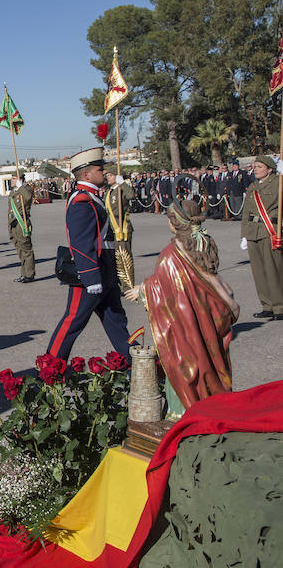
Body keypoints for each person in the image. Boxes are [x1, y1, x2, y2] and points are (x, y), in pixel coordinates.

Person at [124, 199, 238, 411]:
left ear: (173, 223)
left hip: (188, 325)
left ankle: (183, 411)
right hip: (212, 311)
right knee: (212, 357)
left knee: (187, 360)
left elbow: (167, 289)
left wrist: (143, 290)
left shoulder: (171, 254)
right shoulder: (204, 241)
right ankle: (216, 399)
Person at [47, 147, 132, 361]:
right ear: (86, 174)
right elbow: (81, 242)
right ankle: (50, 369)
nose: (103, 172)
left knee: (116, 322)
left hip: (105, 270)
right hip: (90, 274)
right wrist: (91, 276)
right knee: (73, 322)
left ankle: (137, 363)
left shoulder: (94, 197)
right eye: (99, 169)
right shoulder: (82, 201)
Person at [239, 155, 282, 320]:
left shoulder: (278, 182)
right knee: (259, 271)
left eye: (259, 167)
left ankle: (280, 306)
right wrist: (244, 235)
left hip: (269, 230)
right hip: (253, 232)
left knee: (273, 270)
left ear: (270, 169)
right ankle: (267, 305)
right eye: (254, 166)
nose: (255, 169)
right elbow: (246, 212)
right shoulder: (253, 186)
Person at [8, 174, 34, 282]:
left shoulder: (25, 189)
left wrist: (21, 187)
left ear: (20, 179)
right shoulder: (13, 192)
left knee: (26, 250)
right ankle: (24, 274)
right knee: (20, 251)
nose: (12, 180)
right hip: (14, 225)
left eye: (14, 178)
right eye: (12, 178)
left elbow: (27, 198)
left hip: (22, 223)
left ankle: (30, 275)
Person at [105, 170, 135, 255]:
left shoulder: (121, 189)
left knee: (124, 257)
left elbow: (131, 195)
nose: (108, 177)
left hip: (122, 227)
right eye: (107, 175)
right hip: (113, 228)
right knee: (117, 257)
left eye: (110, 175)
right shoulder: (108, 191)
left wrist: (122, 183)